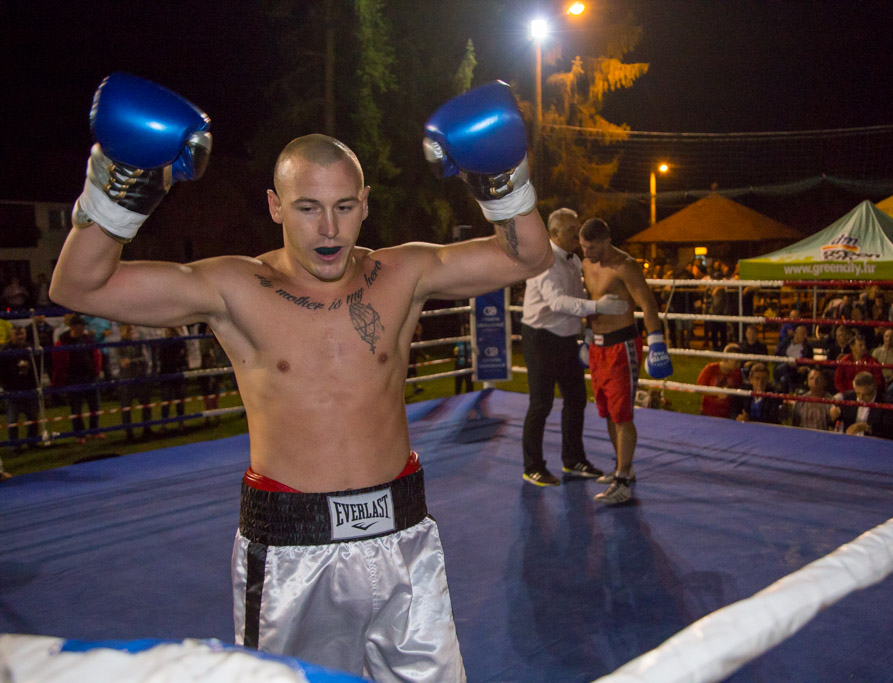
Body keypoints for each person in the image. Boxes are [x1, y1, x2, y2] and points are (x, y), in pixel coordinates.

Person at [49, 76, 552, 680]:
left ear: (365, 203)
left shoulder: (404, 272)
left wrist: (503, 180)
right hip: (292, 550)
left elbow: (529, 255)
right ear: (275, 207)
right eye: (308, 208)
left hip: (404, 535)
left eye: (344, 207)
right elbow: (80, 286)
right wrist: (120, 187)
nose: (329, 230)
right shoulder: (234, 287)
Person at [520, 208, 619, 486]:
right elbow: (558, 302)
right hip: (540, 337)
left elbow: (576, 295)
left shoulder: (573, 259)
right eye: (571, 230)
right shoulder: (543, 261)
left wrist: (587, 330)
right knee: (541, 403)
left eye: (578, 227)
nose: (578, 234)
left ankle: (573, 459)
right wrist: (597, 307)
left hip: (565, 337)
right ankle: (532, 466)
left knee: (576, 399)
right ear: (553, 234)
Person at [579, 217, 673, 505]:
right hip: (598, 346)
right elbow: (591, 300)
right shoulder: (586, 264)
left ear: (606, 241)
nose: (586, 253)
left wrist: (656, 342)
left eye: (592, 247)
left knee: (622, 414)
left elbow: (648, 304)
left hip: (622, 346)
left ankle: (622, 481)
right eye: (583, 247)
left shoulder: (625, 266)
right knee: (607, 412)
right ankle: (624, 467)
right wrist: (587, 336)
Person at [53, 315, 103, 444]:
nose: (82, 329)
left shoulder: (87, 340)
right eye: (80, 326)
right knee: (76, 408)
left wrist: (96, 371)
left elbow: (96, 355)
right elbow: (58, 361)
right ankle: (80, 434)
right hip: (73, 378)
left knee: (94, 406)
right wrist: (63, 378)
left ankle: (94, 430)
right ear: (73, 327)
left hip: (89, 376)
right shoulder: (63, 341)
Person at [0, 326, 40, 447]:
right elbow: (2, 371)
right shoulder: (5, 351)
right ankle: (15, 445)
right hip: (12, 389)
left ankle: (32, 443)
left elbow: (37, 366)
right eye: (17, 334)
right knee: (12, 420)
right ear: (11, 336)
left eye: (22, 334)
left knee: (32, 417)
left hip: (29, 388)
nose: (20, 336)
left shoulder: (30, 348)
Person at [829, 370, 893, 439]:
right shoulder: (849, 397)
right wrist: (833, 417)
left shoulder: (887, 403)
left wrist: (867, 427)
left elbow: (889, 432)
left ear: (875, 388)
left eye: (866, 395)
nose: (861, 398)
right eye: (858, 393)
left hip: (872, 442)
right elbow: (833, 422)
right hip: (849, 440)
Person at [115, 323, 155, 441]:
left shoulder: (138, 343)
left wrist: (131, 361)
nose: (130, 332)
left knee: (146, 406)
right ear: (122, 330)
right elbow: (120, 362)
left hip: (140, 378)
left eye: (131, 329)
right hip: (126, 380)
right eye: (127, 329)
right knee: (126, 408)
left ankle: (147, 429)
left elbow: (144, 358)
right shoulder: (118, 346)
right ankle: (129, 433)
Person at [696, 343, 744, 419]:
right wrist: (716, 393)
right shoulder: (710, 369)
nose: (739, 365)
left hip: (728, 415)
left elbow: (739, 393)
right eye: (736, 361)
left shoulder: (737, 373)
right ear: (726, 359)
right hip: (709, 414)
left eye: (739, 361)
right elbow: (698, 388)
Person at [157, 326, 188, 432]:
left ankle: (179, 423)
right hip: (168, 373)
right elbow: (162, 358)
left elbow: (183, 357)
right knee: (167, 399)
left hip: (175, 373)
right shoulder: (164, 343)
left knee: (177, 399)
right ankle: (167, 424)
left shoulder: (179, 342)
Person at [452, 322, 474, 395]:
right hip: (460, 365)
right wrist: (455, 367)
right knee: (458, 386)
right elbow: (455, 354)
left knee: (469, 386)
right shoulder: (458, 342)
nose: (465, 332)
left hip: (469, 366)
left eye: (467, 329)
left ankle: (470, 398)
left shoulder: (472, 342)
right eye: (463, 330)